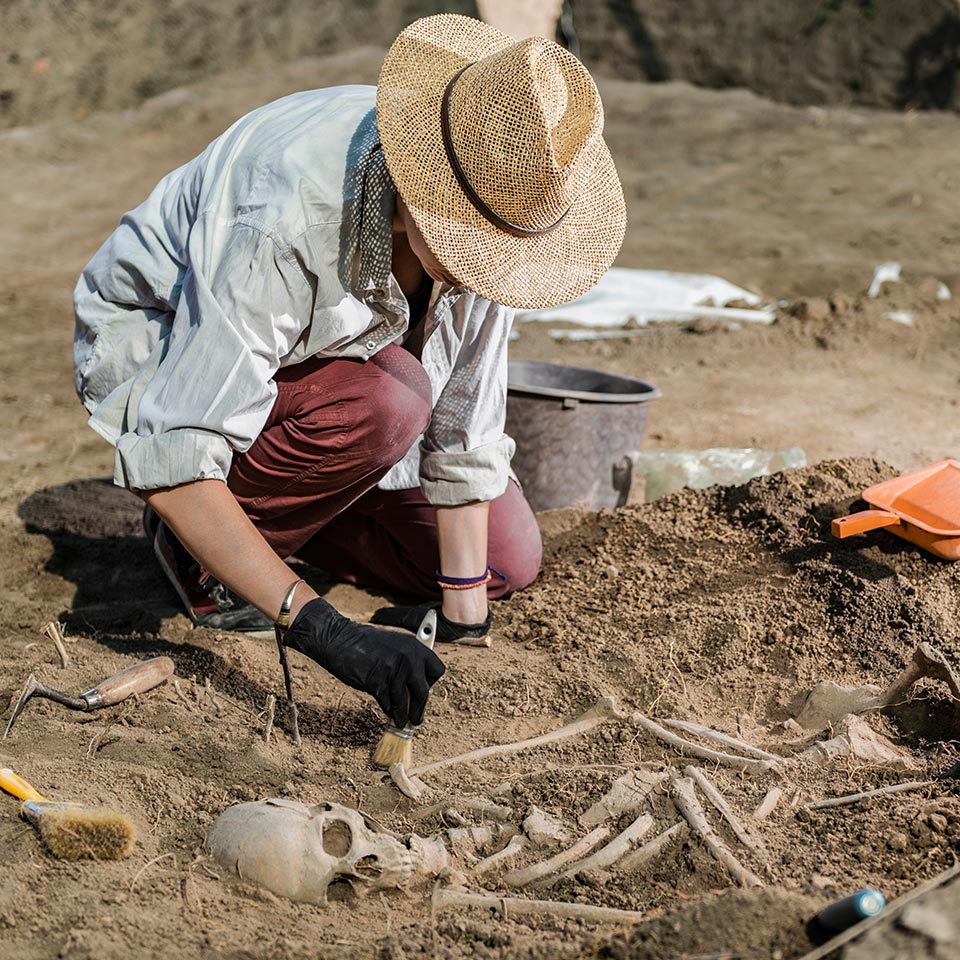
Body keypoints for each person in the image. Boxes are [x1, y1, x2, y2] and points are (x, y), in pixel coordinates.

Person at [72, 14, 626, 734]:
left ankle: (290, 507)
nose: (487, 271)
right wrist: (322, 628)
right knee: (389, 401)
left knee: (505, 562)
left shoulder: (503, 193)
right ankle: (197, 552)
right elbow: (174, 453)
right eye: (472, 245)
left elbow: (465, 420)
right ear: (418, 198)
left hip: (333, 383)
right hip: (167, 351)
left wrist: (463, 616)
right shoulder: (282, 214)